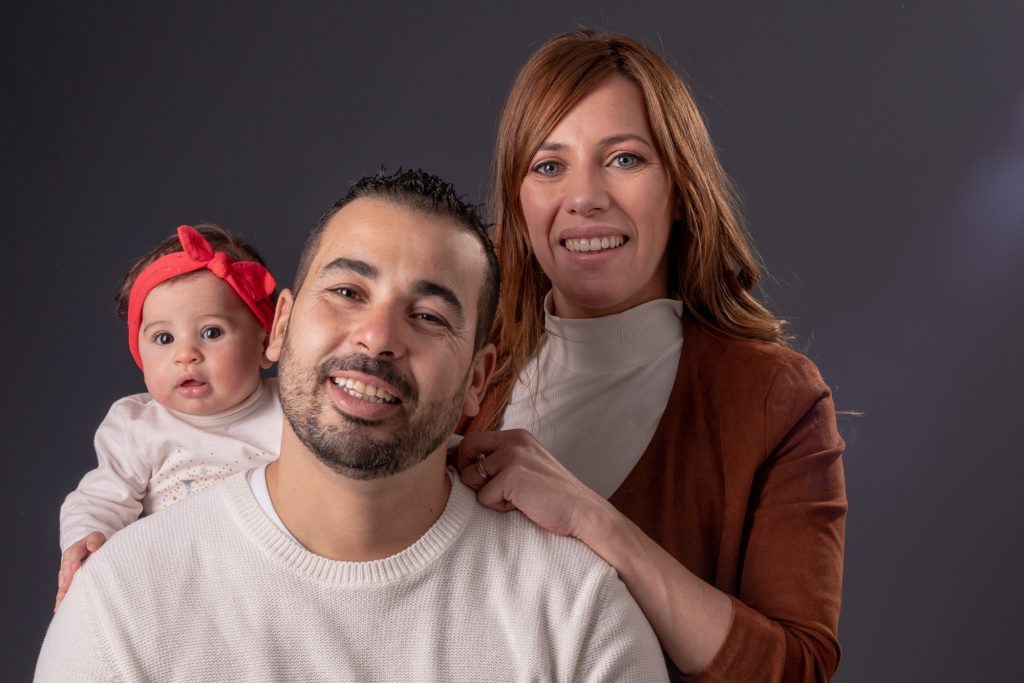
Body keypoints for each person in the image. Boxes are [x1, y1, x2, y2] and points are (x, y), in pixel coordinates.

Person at [35, 169, 668, 682]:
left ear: (478, 379)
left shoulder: (576, 614)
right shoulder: (122, 604)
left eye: (427, 316)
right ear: (279, 326)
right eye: (346, 293)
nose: (378, 337)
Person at [458, 30, 848, 682]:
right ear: (519, 204)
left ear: (681, 190)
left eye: (624, 159)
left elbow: (796, 667)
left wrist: (590, 518)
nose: (584, 197)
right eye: (549, 166)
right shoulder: (467, 371)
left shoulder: (773, 397)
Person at [55, 224, 281, 610]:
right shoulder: (137, 425)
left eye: (211, 332)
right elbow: (100, 499)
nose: (185, 354)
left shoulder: (290, 408)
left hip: (271, 583)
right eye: (164, 339)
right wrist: (87, 537)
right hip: (174, 589)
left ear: (265, 343)